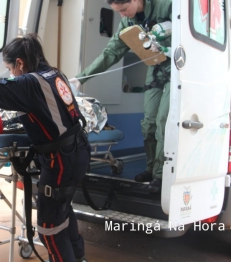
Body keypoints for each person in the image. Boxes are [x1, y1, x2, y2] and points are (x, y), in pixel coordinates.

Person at [0, 33, 91, 262]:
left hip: (61, 160)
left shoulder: (28, 82)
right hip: (77, 150)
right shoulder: (55, 73)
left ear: (20, 63)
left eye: (10, 68)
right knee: (63, 211)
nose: (11, 74)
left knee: (49, 228)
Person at [69, 0, 172, 193]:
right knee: (149, 123)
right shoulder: (128, 23)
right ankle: (150, 169)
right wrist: (82, 78)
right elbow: (111, 52)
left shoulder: (166, 5)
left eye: (124, 10)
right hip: (156, 68)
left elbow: (193, 28)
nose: (122, 16)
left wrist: (168, 28)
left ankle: (160, 175)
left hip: (177, 68)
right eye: (118, 12)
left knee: (162, 122)